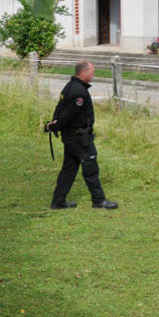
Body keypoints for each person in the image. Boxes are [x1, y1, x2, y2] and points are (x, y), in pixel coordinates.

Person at [45, 61, 118, 210]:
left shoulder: (69, 86)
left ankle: (58, 202)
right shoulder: (79, 92)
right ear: (83, 72)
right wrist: (56, 125)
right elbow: (68, 114)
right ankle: (99, 200)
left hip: (71, 138)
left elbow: (59, 108)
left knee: (69, 170)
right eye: (92, 72)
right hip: (79, 138)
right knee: (90, 167)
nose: (93, 75)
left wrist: (54, 122)